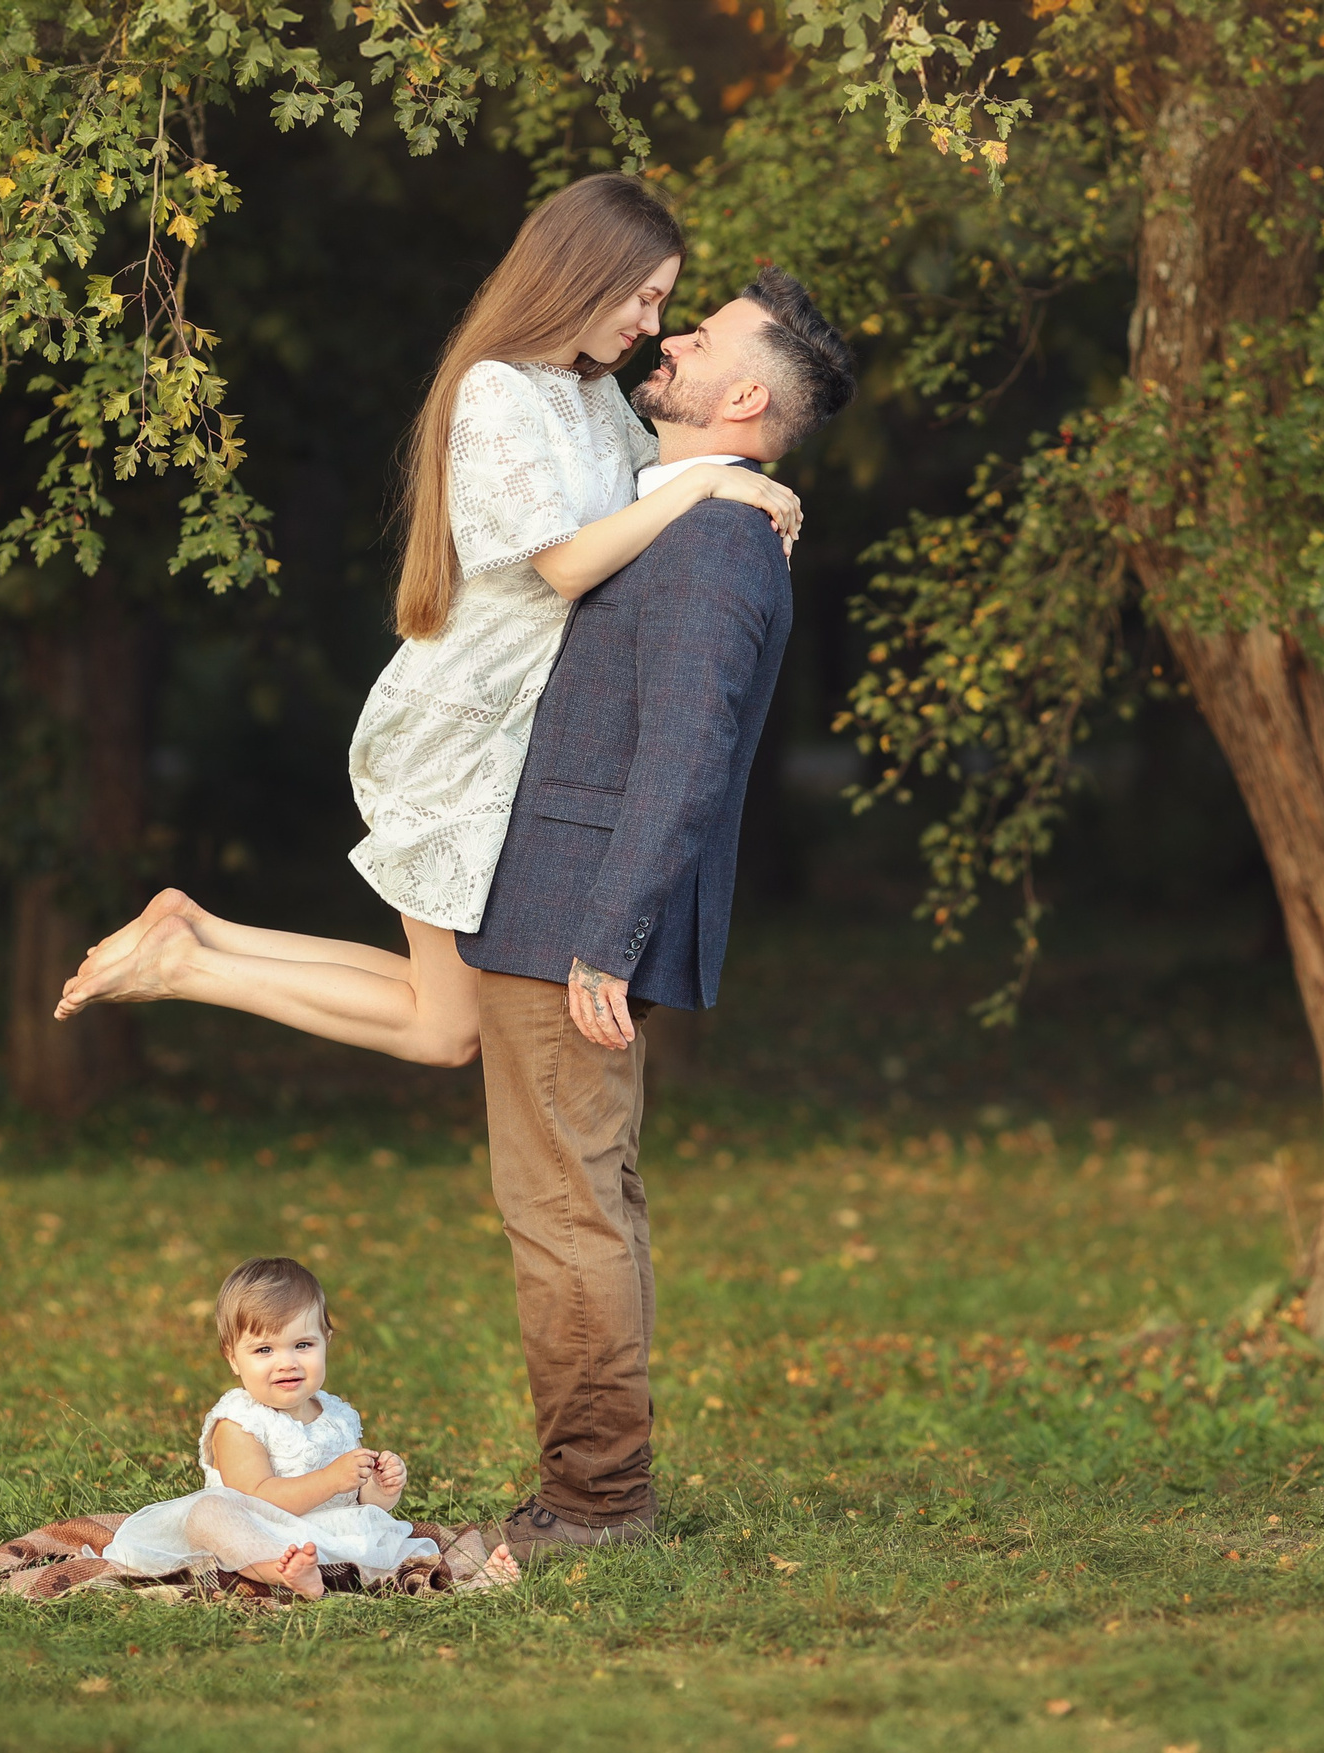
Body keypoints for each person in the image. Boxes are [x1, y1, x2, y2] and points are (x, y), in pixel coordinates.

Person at [51, 173, 801, 1061]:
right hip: (461, 726)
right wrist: (718, 482)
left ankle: (193, 938)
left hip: (513, 730)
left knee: (442, 1012)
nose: (648, 325)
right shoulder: (496, 393)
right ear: (583, 275)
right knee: (445, 1029)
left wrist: (735, 476)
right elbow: (567, 565)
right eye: (645, 298)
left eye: (662, 304)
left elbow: (661, 494)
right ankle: (187, 962)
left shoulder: (597, 401)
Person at [460, 267, 857, 1566]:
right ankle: (597, 1489)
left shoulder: (714, 543)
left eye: (704, 335)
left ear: (744, 396)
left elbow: (686, 756)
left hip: (572, 913)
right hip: (553, 902)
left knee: (565, 1210)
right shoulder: (691, 512)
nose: (672, 339)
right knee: (586, 1201)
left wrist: (606, 935)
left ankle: (593, 1503)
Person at [0, 1257, 521, 1598]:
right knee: (210, 1511)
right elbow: (258, 1497)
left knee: (385, 1539)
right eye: (264, 1349)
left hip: (318, 1533)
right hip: (254, 1530)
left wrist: (378, 1489)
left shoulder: (337, 1415)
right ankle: (274, 1572)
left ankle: (472, 1583)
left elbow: (355, 1509)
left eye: (302, 1345)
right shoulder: (237, 1421)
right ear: (233, 1358)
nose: (286, 1362)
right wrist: (335, 1479)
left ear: (327, 1342)